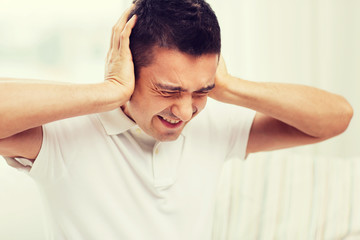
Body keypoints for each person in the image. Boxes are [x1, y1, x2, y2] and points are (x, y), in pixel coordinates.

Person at [0, 0, 353, 239]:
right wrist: (109, 91)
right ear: (129, 70)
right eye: (169, 91)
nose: (185, 112)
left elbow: (336, 118)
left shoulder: (214, 127)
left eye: (200, 91)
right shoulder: (65, 134)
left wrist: (227, 88)